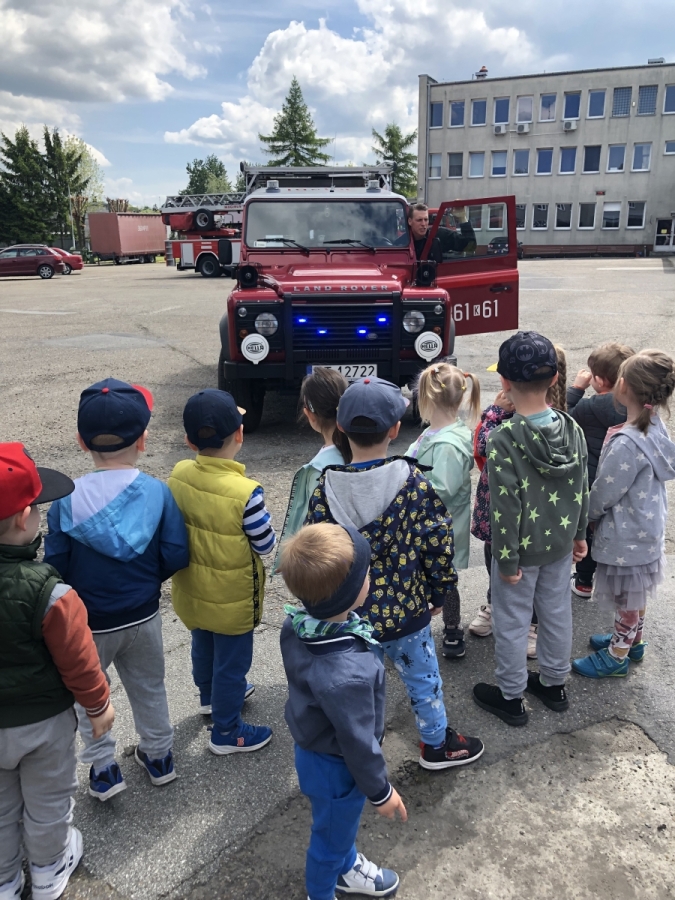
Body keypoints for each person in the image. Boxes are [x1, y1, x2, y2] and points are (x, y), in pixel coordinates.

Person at [306, 376, 484, 769]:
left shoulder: (325, 488)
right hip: (407, 610)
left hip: (351, 615)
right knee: (423, 680)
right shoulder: (414, 481)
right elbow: (438, 542)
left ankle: (364, 748)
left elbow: (317, 553)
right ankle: (436, 745)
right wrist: (439, 592)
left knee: (360, 684)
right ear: (395, 429)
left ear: (341, 428)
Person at [45, 378, 189, 800]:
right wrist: (147, 581)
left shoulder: (66, 500)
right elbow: (176, 553)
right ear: (143, 440)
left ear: (80, 441)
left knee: (89, 695)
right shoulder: (158, 492)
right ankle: (159, 757)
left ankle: (104, 769)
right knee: (149, 686)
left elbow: (56, 564)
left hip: (88, 622)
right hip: (143, 614)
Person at [0, 443, 114, 900]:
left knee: (1, 808)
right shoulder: (50, 592)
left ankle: (5, 880)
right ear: (23, 519)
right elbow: (79, 660)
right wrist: (98, 707)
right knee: (48, 801)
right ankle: (48, 871)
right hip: (43, 724)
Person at [279, 523, 406, 900]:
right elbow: (357, 742)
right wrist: (380, 791)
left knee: (338, 828)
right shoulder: (346, 675)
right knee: (329, 840)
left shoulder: (300, 625)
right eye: (366, 573)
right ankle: (321, 891)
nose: (371, 576)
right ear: (348, 594)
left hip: (316, 747)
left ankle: (346, 866)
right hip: (337, 766)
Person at [473, 332, 589, 726]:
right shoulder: (571, 427)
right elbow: (581, 486)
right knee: (556, 613)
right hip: (559, 545)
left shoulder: (503, 439)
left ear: (504, 382)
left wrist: (505, 561)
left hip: (518, 553)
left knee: (512, 621)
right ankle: (554, 684)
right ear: (555, 378)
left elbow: (505, 508)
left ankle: (511, 696)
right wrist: (579, 534)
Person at [169, 389, 275, 755]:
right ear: (240, 435)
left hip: (192, 590)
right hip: (231, 599)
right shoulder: (246, 493)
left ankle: (209, 697)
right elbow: (265, 544)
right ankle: (227, 732)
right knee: (232, 663)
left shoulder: (179, 474)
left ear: (189, 441)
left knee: (203, 645)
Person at [572, 350, 675, 678]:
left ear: (624, 387)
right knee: (636, 592)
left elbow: (605, 491)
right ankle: (633, 641)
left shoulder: (627, 442)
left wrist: (587, 516)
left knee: (627, 598)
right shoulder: (654, 424)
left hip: (626, 534)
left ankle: (617, 655)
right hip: (646, 527)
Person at [406, 362, 480, 659]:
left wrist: (407, 483)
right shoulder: (439, 433)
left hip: (438, 526)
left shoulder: (446, 444)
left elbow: (442, 489)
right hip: (431, 524)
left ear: (425, 398)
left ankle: (451, 627)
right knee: (439, 576)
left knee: (442, 577)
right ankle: (437, 627)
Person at [567, 342, 635, 598]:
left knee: (586, 531)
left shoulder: (588, 407)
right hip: (619, 481)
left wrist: (576, 389)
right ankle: (613, 582)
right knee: (612, 529)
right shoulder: (635, 407)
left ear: (599, 380)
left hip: (589, 481)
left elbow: (562, 418)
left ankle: (584, 582)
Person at [274, 368, 351, 573]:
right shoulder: (361, 455)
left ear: (309, 414)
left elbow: (313, 524)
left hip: (329, 567)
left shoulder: (318, 470)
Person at [398, 203, 476, 262]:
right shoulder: (401, 244)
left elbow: (470, 244)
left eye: (426, 219)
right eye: (419, 220)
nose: (423, 224)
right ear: (410, 221)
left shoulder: (440, 235)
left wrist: (462, 218)